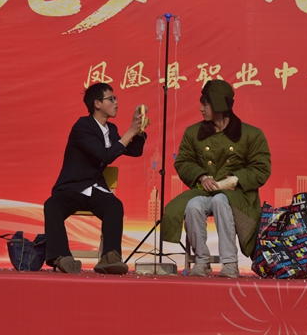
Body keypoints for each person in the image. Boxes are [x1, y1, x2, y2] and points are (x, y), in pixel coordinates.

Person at [161, 79, 271, 278]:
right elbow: (184, 162)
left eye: (206, 104)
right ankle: (201, 261)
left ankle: (230, 262)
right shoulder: (193, 133)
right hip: (205, 191)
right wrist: (202, 176)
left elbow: (261, 168)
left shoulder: (251, 134)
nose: (201, 108)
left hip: (237, 194)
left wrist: (236, 179)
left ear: (219, 105)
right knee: (193, 205)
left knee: (221, 200)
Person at [43, 83, 146, 274]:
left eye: (115, 98)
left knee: (114, 205)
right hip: (73, 187)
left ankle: (110, 257)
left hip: (95, 188)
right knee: (52, 205)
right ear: (97, 104)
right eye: (111, 98)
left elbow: (134, 151)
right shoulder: (82, 126)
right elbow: (105, 155)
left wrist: (139, 130)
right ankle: (62, 258)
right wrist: (130, 132)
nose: (116, 102)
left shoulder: (111, 129)